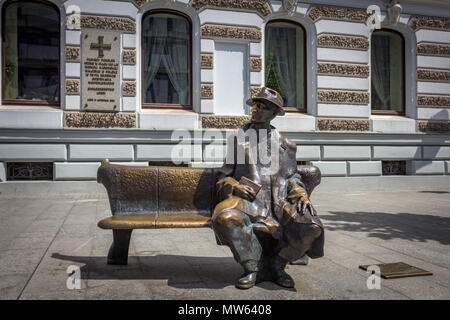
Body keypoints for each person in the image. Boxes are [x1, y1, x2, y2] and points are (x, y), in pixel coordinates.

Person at [212, 87, 324, 289]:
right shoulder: (237, 140)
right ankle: (252, 266)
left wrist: (300, 193)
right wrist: (235, 187)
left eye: (261, 107)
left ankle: (278, 264)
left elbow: (292, 177)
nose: (255, 109)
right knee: (225, 218)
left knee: (312, 227)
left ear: (274, 114)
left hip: (279, 203)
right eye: (254, 105)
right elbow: (223, 177)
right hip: (249, 203)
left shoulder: (286, 146)